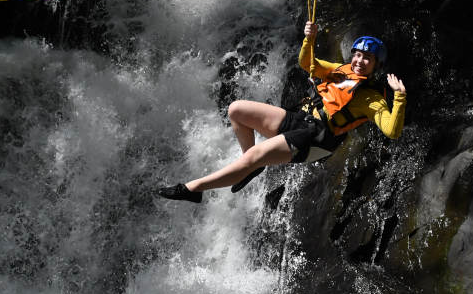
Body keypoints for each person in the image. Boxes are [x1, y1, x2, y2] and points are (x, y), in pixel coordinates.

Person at [157, 20, 407, 203]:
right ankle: (251, 168)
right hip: (301, 118)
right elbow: (307, 63)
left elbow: (392, 131)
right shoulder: (340, 69)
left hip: (316, 139)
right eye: (358, 55)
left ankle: (194, 189)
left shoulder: (370, 98)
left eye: (367, 59)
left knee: (254, 155)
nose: (359, 61)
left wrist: (400, 97)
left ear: (376, 65)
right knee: (236, 110)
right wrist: (309, 38)